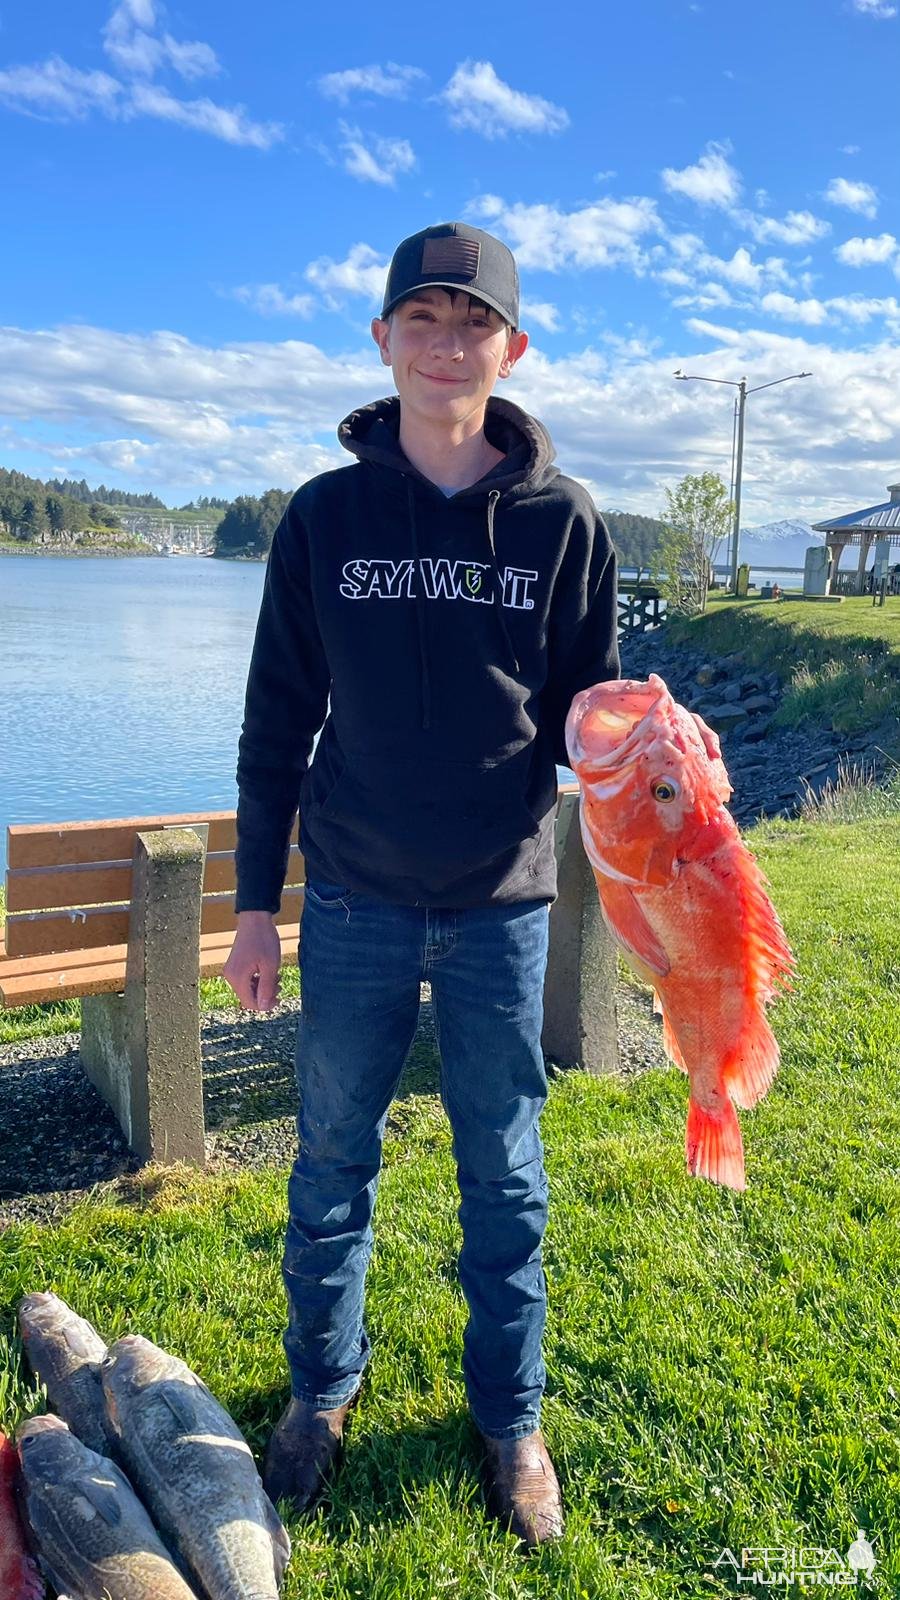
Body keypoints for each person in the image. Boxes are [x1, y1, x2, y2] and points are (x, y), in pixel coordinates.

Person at [223, 221, 620, 1549]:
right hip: (349, 899)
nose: (449, 344)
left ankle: (512, 1421)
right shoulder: (327, 519)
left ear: (513, 348)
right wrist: (257, 905)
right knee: (331, 1159)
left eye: (474, 323)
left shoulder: (564, 522)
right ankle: (320, 1397)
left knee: (503, 1172)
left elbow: (582, 716)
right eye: (424, 319)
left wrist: (641, 734)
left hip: (506, 897)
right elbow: (277, 717)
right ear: (383, 339)